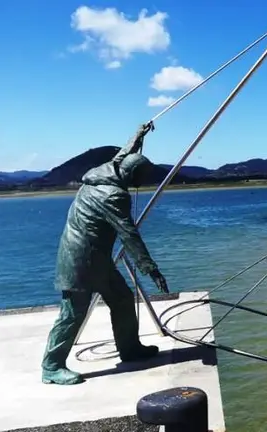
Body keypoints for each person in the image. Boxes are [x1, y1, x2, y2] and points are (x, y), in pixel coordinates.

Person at [41, 123, 169, 385]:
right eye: (141, 178)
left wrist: (138, 135)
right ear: (132, 175)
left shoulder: (105, 172)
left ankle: (130, 349)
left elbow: (122, 156)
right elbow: (128, 233)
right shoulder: (112, 194)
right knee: (73, 312)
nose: (142, 183)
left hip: (97, 259)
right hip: (79, 260)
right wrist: (151, 268)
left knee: (122, 299)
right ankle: (51, 366)